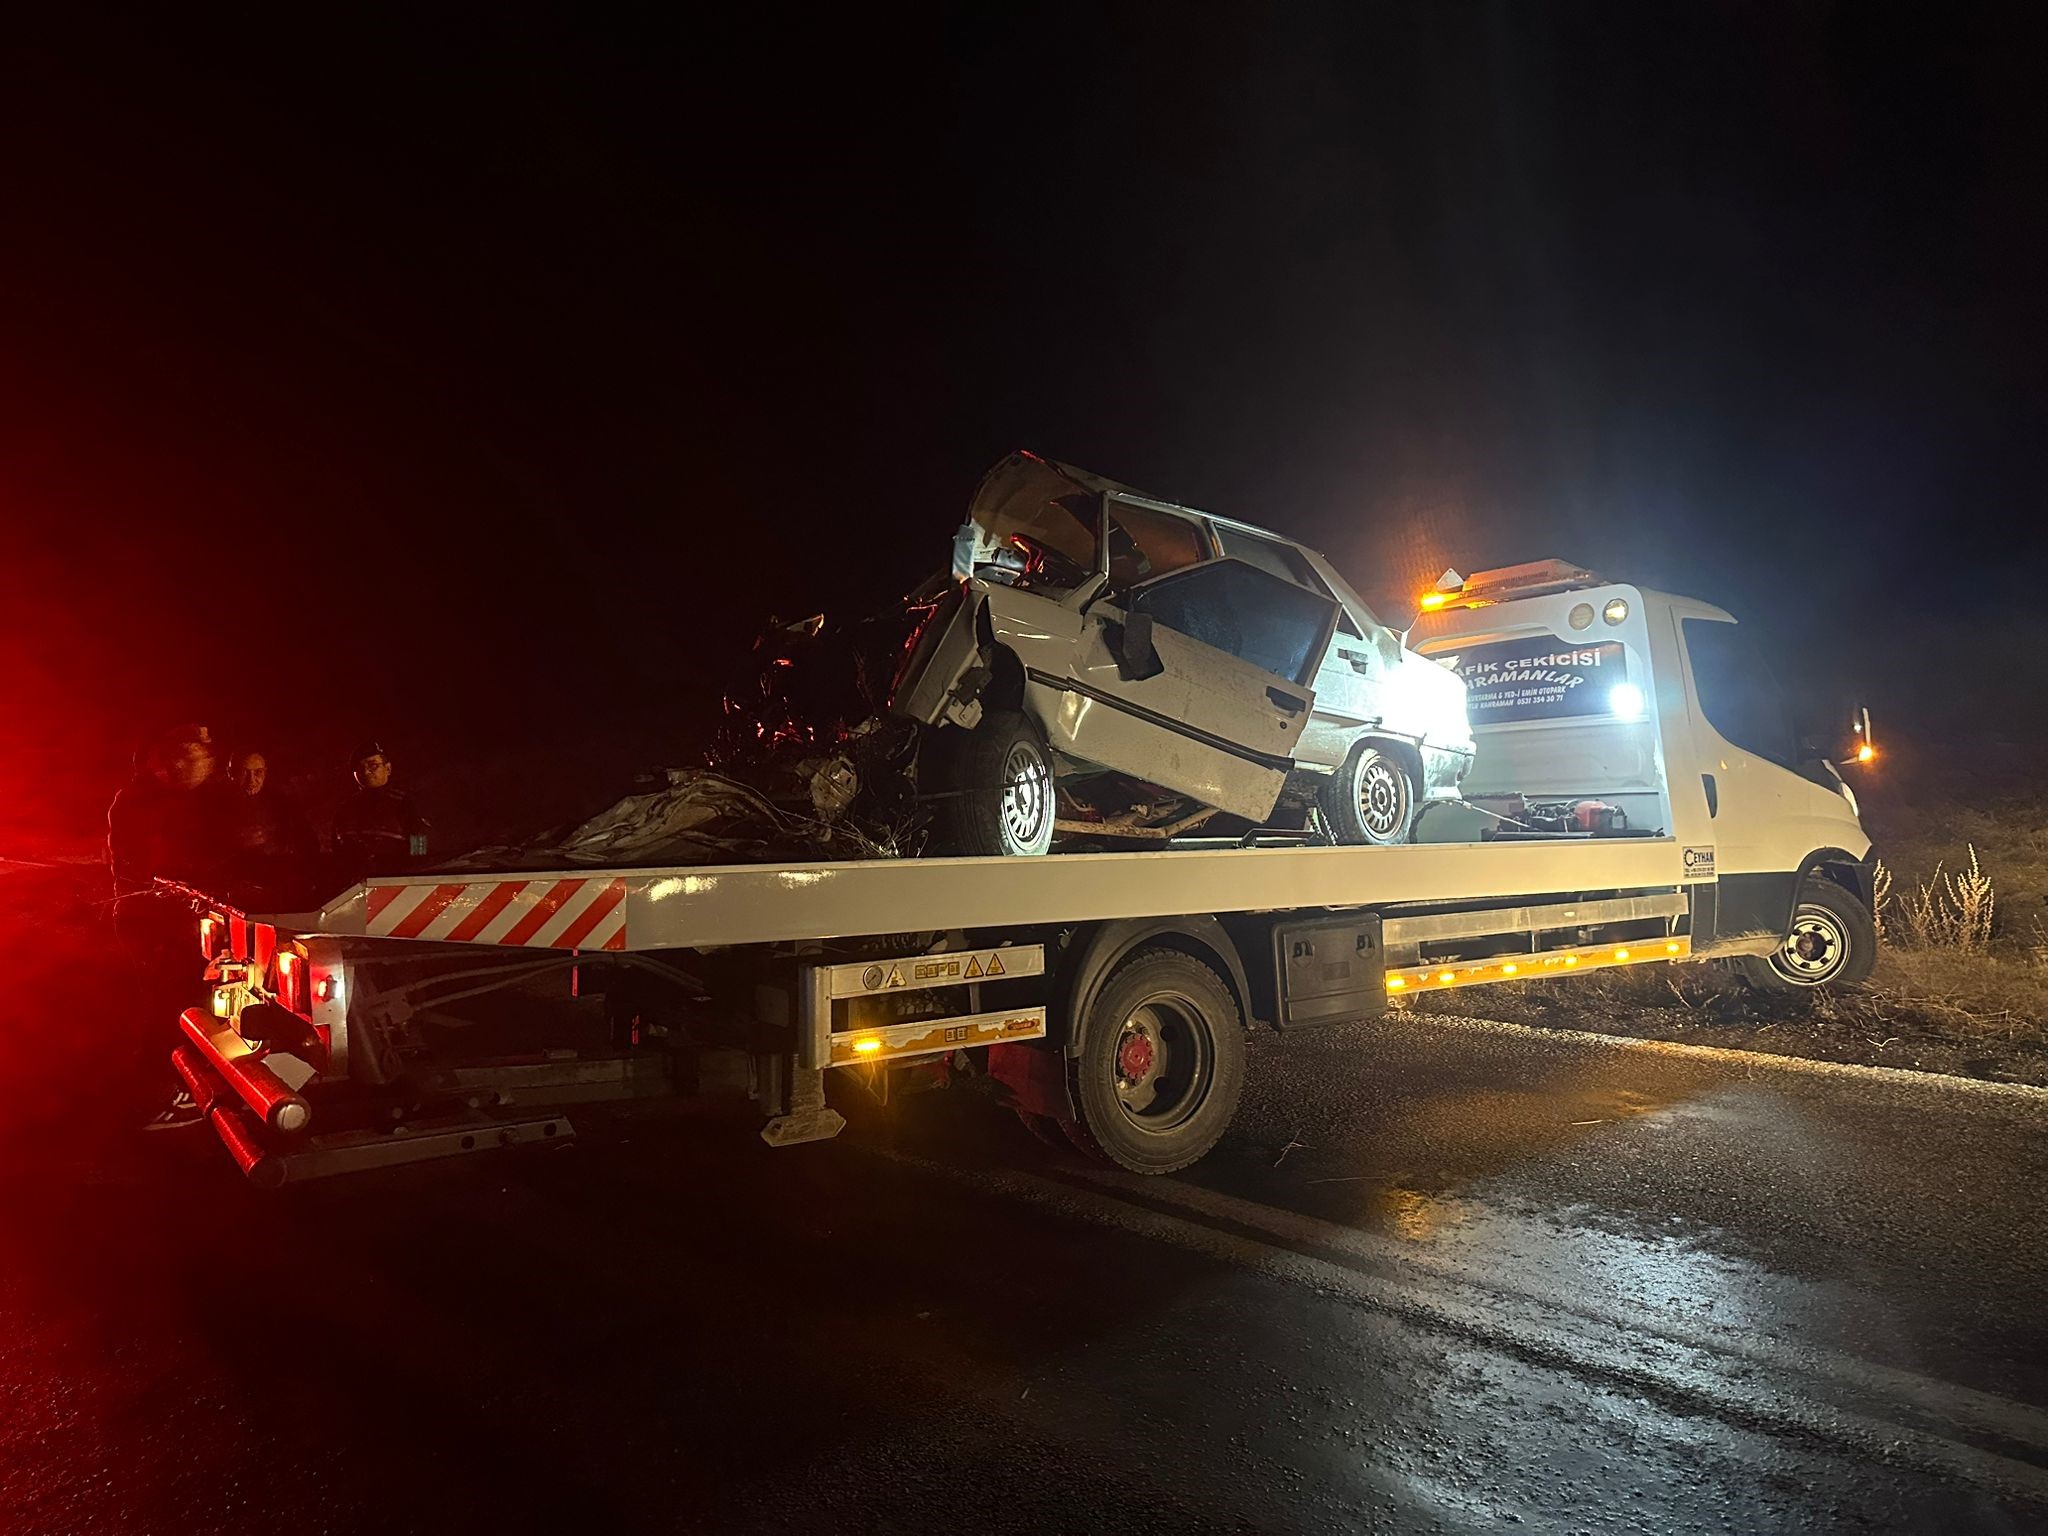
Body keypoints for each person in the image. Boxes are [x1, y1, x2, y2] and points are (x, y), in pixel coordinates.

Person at [332, 741, 429, 874]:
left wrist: (416, 873)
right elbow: (336, 852)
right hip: (353, 886)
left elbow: (419, 844)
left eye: (373, 766)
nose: (366, 772)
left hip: (394, 882)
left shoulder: (404, 802)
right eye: (359, 769)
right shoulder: (344, 810)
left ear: (388, 768)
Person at [219, 749, 315, 861]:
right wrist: (237, 842)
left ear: (265, 773)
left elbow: (310, 845)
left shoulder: (283, 803)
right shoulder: (219, 804)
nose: (251, 780)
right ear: (232, 773)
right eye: (244, 772)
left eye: (258, 772)